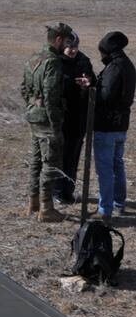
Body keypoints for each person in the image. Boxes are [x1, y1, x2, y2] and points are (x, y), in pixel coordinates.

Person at [21, 23, 76, 222]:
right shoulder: (53, 61)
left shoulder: (34, 57)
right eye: (67, 41)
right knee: (49, 163)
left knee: (35, 162)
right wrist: (55, 125)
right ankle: (46, 209)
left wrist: (33, 105)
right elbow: (52, 95)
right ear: (59, 40)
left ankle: (33, 203)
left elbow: (24, 88)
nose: (68, 45)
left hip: (34, 117)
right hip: (47, 120)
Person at [93, 31, 136, 224]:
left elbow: (105, 97)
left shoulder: (114, 68)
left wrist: (90, 89)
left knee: (105, 169)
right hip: (121, 124)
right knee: (117, 164)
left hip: (107, 124)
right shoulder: (128, 65)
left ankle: (105, 209)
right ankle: (119, 203)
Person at [55, 34, 95, 205]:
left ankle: (68, 192)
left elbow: (94, 82)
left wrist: (89, 83)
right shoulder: (55, 62)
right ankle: (56, 192)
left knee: (73, 157)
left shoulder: (83, 61)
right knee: (59, 157)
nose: (72, 50)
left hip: (78, 119)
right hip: (61, 119)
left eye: (75, 46)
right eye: (69, 46)